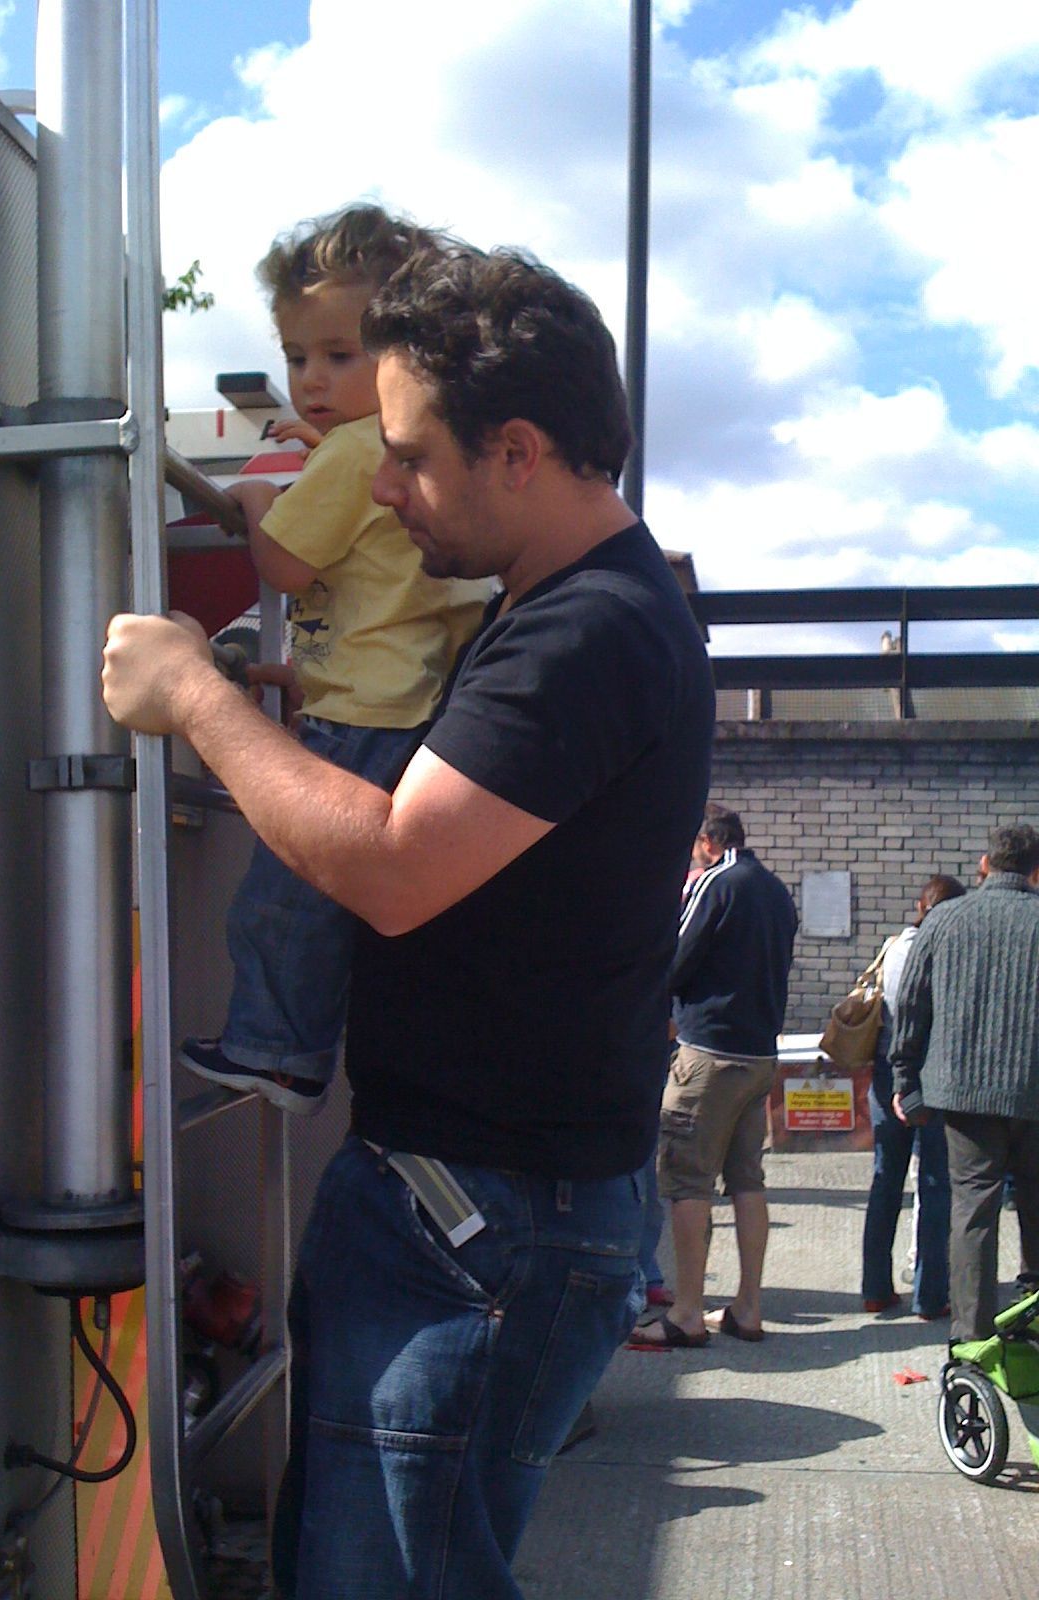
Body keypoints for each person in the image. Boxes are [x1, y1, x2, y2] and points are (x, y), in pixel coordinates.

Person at [103, 245, 714, 1599]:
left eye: (408, 456)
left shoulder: (587, 633)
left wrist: (195, 699)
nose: (380, 488)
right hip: (477, 1207)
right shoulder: (560, 613)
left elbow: (392, 863)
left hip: (480, 1218)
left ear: (518, 451)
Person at [179, 204, 491, 1113]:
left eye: (340, 355)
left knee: (286, 894)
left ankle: (276, 1050)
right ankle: (293, 1043)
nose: (312, 379)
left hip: (363, 708)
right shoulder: (381, 448)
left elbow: (283, 564)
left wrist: (251, 502)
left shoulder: (353, 453)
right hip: (399, 699)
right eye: (296, 356)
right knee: (325, 899)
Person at [641, 807, 797, 1346]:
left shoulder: (716, 882)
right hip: (759, 1055)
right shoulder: (775, 890)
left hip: (709, 1054)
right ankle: (747, 1308)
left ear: (708, 841)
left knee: (687, 1181)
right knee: (747, 1180)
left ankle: (686, 1313)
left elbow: (674, 957)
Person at [891, 824, 1039, 1342]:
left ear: (984, 865)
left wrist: (905, 1080)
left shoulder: (945, 919)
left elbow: (911, 1004)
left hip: (963, 1094)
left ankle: (972, 1338)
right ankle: (1033, 1321)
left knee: (973, 1211)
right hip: (1034, 1093)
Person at [860, 874, 965, 1319]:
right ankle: (930, 1294)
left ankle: (875, 1288)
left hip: (887, 1072)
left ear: (920, 906)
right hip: (934, 1075)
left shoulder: (895, 946)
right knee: (936, 1182)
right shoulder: (951, 952)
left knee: (886, 1178)